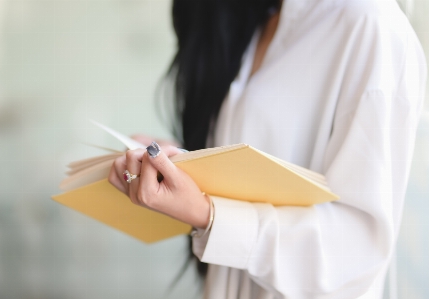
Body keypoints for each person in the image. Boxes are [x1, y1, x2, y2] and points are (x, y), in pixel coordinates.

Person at [108, 0, 426, 298]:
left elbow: (358, 250)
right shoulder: (263, 20)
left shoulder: (371, 25)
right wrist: (178, 164)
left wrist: (209, 214)